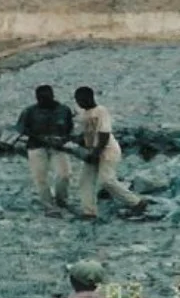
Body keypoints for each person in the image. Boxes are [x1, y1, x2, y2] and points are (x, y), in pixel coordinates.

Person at [74, 86, 148, 219]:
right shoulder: (84, 116)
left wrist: (96, 153)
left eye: (80, 99)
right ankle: (89, 211)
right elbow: (85, 136)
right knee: (85, 181)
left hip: (107, 150)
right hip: (93, 150)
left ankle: (137, 202)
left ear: (89, 98)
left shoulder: (101, 111)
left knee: (107, 180)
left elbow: (104, 134)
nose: (79, 103)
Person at [16, 85, 76, 217]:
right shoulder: (29, 112)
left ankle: (62, 200)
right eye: (40, 99)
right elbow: (21, 130)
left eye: (45, 98)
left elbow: (70, 129)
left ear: (52, 96)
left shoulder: (64, 110)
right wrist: (39, 137)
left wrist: (62, 139)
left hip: (58, 147)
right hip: (36, 146)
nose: (42, 101)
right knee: (40, 178)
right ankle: (48, 205)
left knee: (64, 175)